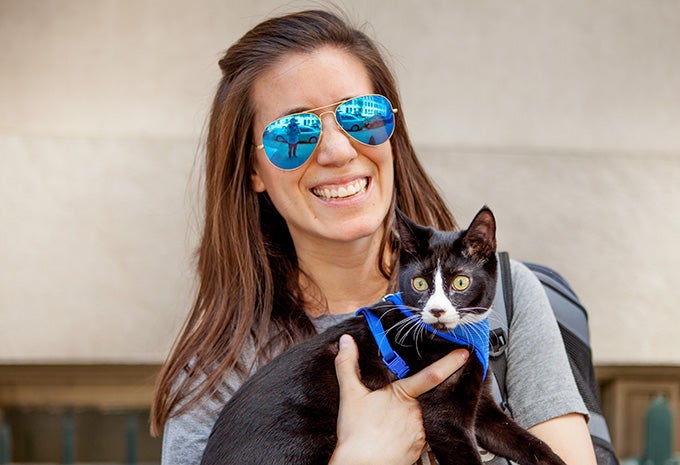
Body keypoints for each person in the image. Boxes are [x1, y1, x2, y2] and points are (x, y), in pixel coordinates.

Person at [150, 9, 597, 465]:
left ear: (392, 131)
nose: (338, 151)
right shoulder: (219, 369)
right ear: (252, 169)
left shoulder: (508, 299)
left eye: (360, 116)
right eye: (292, 133)